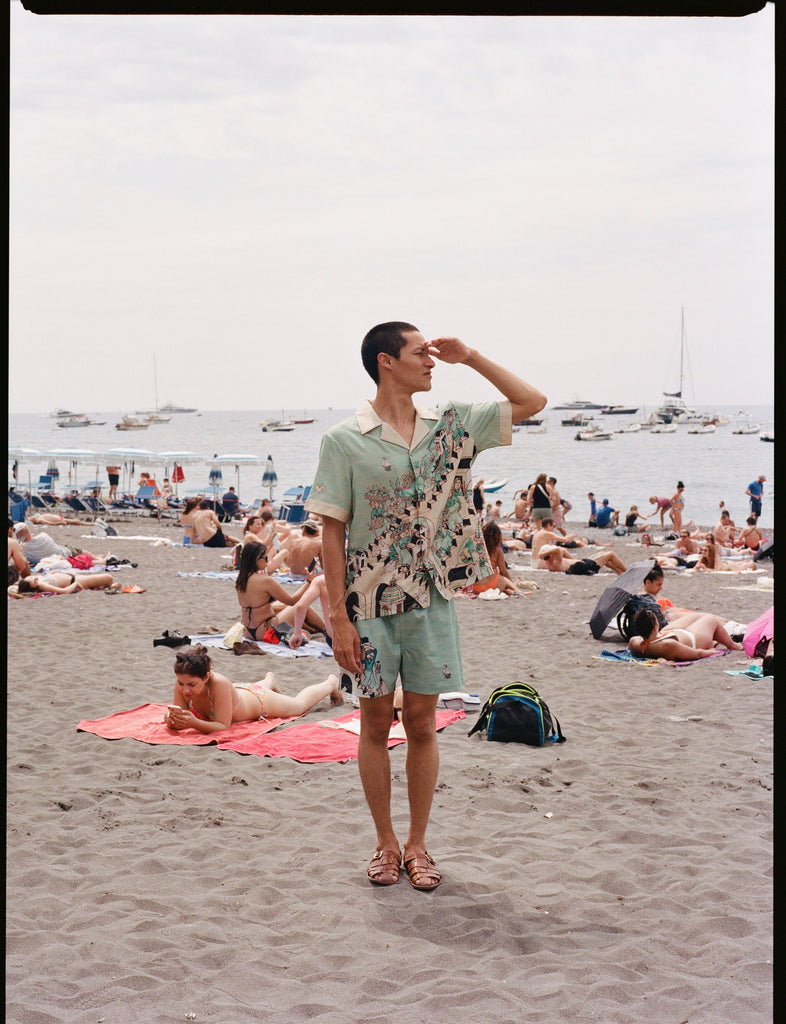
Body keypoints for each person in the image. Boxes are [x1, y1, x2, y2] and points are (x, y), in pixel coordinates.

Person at [304, 320, 546, 890]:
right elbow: (332, 532)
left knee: (420, 723)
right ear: (387, 361)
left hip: (432, 597)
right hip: (366, 604)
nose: (432, 361)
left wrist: (473, 357)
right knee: (372, 720)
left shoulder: (453, 424)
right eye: (421, 353)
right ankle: (385, 843)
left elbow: (531, 401)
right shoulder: (344, 440)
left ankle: (417, 844)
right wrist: (337, 616)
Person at [164, 645, 343, 734]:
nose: (185, 690)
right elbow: (177, 716)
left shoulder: (218, 684)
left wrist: (193, 723)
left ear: (206, 677)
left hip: (258, 701)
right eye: (182, 684)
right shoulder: (183, 680)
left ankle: (330, 683)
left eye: (191, 685)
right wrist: (171, 719)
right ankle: (269, 680)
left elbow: (222, 726)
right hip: (240, 695)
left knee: (298, 705)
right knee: (250, 690)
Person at [235, 541, 325, 640]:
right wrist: (308, 582)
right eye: (265, 557)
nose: (267, 560)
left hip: (248, 631)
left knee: (282, 607)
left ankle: (312, 629)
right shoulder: (265, 580)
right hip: (265, 631)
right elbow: (292, 601)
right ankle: (327, 631)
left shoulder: (241, 579)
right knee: (303, 606)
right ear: (255, 559)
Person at [628, 608, 743, 661]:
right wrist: (711, 652)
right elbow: (697, 654)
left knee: (697, 616)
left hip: (670, 633)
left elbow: (644, 640)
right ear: (655, 627)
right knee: (710, 619)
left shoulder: (635, 642)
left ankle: (730, 627)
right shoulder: (668, 644)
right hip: (693, 639)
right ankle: (733, 645)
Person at [469, 521, 519, 596]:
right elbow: (503, 571)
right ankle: (513, 589)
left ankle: (508, 589)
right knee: (503, 579)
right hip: (493, 585)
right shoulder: (497, 550)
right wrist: (510, 582)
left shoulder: (475, 547)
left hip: (477, 587)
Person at [13, 523, 98, 567]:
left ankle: (101, 560)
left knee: (79, 555)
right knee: (79, 551)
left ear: (19, 536)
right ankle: (100, 559)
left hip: (60, 560)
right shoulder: (43, 536)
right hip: (65, 553)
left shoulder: (22, 549)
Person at [538, 544, 627, 575]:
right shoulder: (555, 562)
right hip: (586, 567)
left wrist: (542, 554)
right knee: (611, 554)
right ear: (550, 555)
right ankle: (626, 571)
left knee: (601, 554)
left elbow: (560, 550)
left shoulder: (548, 562)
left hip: (582, 563)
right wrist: (542, 554)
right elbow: (557, 549)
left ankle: (619, 571)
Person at [15, 570, 117, 594]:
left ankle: (105, 586)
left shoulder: (35, 580)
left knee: (102, 579)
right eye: (32, 581)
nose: (33, 578)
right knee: (108, 577)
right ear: (33, 587)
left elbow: (16, 585)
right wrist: (75, 584)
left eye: (30, 578)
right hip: (76, 580)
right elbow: (64, 591)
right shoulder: (42, 585)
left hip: (70, 574)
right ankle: (109, 587)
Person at [8, 517, 31, 584]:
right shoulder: (12, 542)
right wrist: (21, 552)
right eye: (13, 530)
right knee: (18, 564)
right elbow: (22, 568)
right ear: (10, 529)